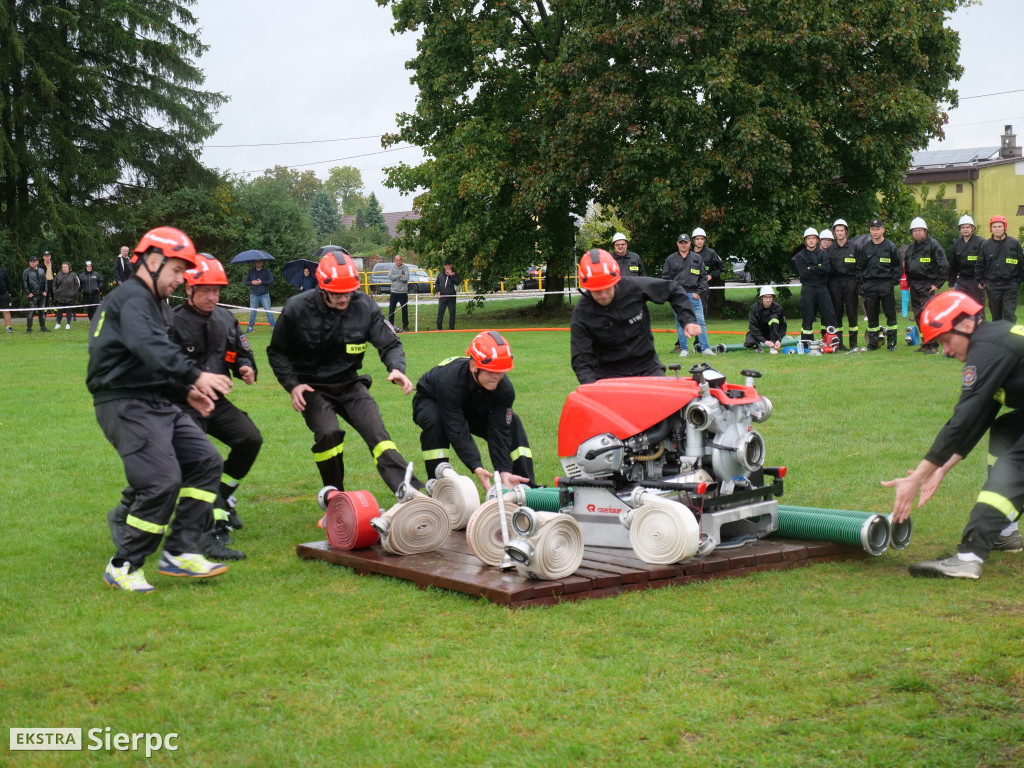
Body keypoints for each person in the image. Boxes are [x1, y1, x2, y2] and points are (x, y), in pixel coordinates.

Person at [88, 226, 233, 592]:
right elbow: (150, 347)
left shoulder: (157, 306)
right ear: (152, 261)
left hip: (156, 402)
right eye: (176, 271)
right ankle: (123, 565)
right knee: (161, 482)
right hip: (123, 403)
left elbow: (158, 361)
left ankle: (180, 552)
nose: (180, 279)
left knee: (206, 461)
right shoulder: (132, 300)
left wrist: (187, 392)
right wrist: (196, 376)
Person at [882, 291, 1024, 580]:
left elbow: (962, 419)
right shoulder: (994, 342)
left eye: (945, 340)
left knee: (1013, 468)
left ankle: (969, 557)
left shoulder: (987, 347)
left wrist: (916, 478)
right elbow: (980, 417)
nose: (945, 350)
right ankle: (1004, 531)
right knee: (1006, 429)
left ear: (967, 325)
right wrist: (943, 468)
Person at [267, 247, 425, 494]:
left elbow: (389, 342)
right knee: (329, 433)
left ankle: (413, 495)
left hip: (350, 384)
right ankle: (335, 498)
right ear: (322, 288)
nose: (343, 299)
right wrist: (293, 384)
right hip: (312, 387)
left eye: (348, 293)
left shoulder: (365, 306)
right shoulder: (297, 309)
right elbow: (276, 352)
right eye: (337, 293)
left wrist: (397, 368)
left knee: (378, 434)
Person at [169, 254, 262, 561]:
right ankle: (213, 531)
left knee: (250, 438)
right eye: (206, 290)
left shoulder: (226, 319)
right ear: (189, 289)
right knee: (202, 459)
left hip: (216, 403)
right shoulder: (172, 323)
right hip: (182, 405)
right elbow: (162, 370)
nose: (212, 296)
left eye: (217, 290)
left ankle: (222, 494)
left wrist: (247, 368)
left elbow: (241, 353)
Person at [413, 331, 535, 490]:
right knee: (437, 422)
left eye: (501, 371)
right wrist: (476, 465)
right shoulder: (449, 382)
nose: (496, 377)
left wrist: (504, 470)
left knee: (513, 423)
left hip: (470, 405)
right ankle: (437, 486)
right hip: (430, 400)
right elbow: (456, 428)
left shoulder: (505, 390)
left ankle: (524, 486)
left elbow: (500, 430)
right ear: (473, 366)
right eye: (491, 371)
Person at [571, 248, 700, 384]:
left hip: (647, 366)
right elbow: (581, 360)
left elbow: (674, 290)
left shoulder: (634, 287)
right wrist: (592, 388)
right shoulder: (582, 313)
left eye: (606, 288)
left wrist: (688, 320)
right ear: (587, 288)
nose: (602, 294)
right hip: (608, 373)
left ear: (615, 280)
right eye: (596, 290)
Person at [662, 233, 713, 357]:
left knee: (700, 322)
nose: (683, 244)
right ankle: (684, 349)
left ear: (690, 243)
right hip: (678, 296)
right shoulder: (670, 259)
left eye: (686, 242)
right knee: (680, 323)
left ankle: (705, 349)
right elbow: (665, 278)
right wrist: (671, 294)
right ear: (677, 244)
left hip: (694, 295)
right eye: (681, 242)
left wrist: (698, 293)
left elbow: (703, 277)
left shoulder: (697, 258)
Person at [903, 217, 948, 354]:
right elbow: (908, 268)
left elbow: (944, 264)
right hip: (915, 285)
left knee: (928, 314)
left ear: (925, 231)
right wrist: (910, 284)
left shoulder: (933, 245)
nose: (917, 233)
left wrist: (938, 284)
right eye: (914, 231)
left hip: (928, 285)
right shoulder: (911, 248)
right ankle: (925, 342)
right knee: (918, 315)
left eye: (919, 230)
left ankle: (933, 345)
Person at [856, 218, 902, 351]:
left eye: (877, 229)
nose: (875, 232)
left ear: (883, 230)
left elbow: (898, 266)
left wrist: (893, 282)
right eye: (872, 229)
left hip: (886, 284)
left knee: (890, 314)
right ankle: (873, 343)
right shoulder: (865, 248)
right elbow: (859, 267)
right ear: (870, 231)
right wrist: (861, 285)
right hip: (870, 285)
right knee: (872, 315)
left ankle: (891, 343)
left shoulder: (890, 247)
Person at [791, 227, 837, 342]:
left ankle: (830, 341)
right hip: (808, 289)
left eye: (813, 238)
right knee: (808, 317)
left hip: (822, 288)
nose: (811, 240)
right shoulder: (800, 256)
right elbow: (803, 274)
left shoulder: (823, 254)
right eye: (809, 238)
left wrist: (811, 268)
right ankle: (807, 343)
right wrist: (818, 268)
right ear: (805, 241)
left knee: (829, 316)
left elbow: (826, 269)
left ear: (817, 240)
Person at [977, 214, 1024, 323]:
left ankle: (1010, 338)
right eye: (994, 227)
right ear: (991, 228)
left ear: (1005, 227)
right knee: (996, 316)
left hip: (1010, 285)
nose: (997, 229)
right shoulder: (985, 245)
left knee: (1009, 314)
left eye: (999, 226)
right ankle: (998, 338)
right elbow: (980, 264)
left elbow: (1022, 264)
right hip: (992, 286)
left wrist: (1017, 282)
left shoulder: (1014, 243)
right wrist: (981, 280)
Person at [828, 218, 860, 351]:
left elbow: (860, 266)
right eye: (837, 231)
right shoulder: (830, 249)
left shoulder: (855, 247)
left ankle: (853, 344)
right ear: (834, 233)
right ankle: (839, 343)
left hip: (851, 283)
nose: (840, 233)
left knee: (852, 313)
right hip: (835, 284)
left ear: (846, 231)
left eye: (842, 230)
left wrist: (858, 284)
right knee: (837, 314)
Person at [947, 214, 985, 308]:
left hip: (976, 281)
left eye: (967, 227)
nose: (965, 229)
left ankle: (979, 323)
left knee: (977, 307)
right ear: (960, 229)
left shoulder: (981, 242)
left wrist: (982, 280)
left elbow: (986, 263)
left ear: (972, 228)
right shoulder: (957, 244)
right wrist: (951, 282)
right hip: (962, 280)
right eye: (962, 227)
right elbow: (953, 264)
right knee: (960, 306)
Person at [744, 286, 787, 353]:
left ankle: (773, 346)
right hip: (759, 332)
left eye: (770, 297)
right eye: (765, 297)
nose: (768, 300)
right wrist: (764, 341)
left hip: (773, 333)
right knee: (749, 343)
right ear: (761, 298)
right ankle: (758, 346)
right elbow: (752, 327)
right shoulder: (755, 308)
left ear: (773, 298)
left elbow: (783, 326)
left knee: (774, 319)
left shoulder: (778, 308)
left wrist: (778, 340)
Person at [245, 258, 275, 333]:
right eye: (257, 261)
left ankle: (274, 327)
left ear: (262, 262)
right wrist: (251, 282)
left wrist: (261, 282)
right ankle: (250, 328)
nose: (258, 263)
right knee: (252, 312)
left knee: (268, 311)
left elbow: (271, 281)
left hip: (264, 294)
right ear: (254, 262)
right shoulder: (251, 272)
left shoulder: (266, 271)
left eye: (260, 261)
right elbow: (245, 282)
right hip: (254, 294)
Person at [21, 254, 49, 333]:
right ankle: (29, 328)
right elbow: (24, 283)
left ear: (37, 262)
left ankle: (43, 327)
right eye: (30, 262)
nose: (32, 263)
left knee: (42, 312)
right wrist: (28, 293)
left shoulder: (41, 271)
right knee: (31, 312)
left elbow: (45, 281)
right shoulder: (26, 271)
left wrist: (46, 291)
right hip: (32, 295)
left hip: (41, 295)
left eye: (33, 262)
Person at [52, 261, 80, 329]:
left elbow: (77, 285)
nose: (64, 268)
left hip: (70, 297)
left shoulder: (73, 275)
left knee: (69, 311)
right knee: (59, 311)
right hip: (59, 297)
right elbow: (54, 284)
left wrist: (74, 293)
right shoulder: (58, 275)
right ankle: (58, 323)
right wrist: (55, 292)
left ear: (68, 267)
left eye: (65, 267)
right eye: (63, 267)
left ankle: (68, 324)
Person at [434, 259, 460, 330]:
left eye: (448, 265)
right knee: (440, 314)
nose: (447, 267)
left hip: (451, 297)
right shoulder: (441, 275)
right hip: (442, 297)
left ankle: (451, 328)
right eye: (445, 265)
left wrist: (451, 275)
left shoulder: (455, 274)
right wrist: (438, 291)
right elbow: (437, 283)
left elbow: (458, 282)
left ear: (451, 265)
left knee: (452, 313)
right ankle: (439, 328)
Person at [387, 254, 410, 332]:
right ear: (395, 260)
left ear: (401, 260)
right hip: (394, 292)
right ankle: (390, 325)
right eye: (397, 260)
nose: (398, 261)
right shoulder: (392, 267)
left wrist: (396, 278)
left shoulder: (405, 268)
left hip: (403, 292)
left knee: (404, 309)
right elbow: (390, 277)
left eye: (400, 260)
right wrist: (399, 276)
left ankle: (405, 325)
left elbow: (406, 278)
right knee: (391, 309)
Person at [0, 263, 13, 332]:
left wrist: (9, 292)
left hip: (4, 294)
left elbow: (8, 282)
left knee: (6, 311)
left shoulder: (3, 271)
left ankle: (8, 327)